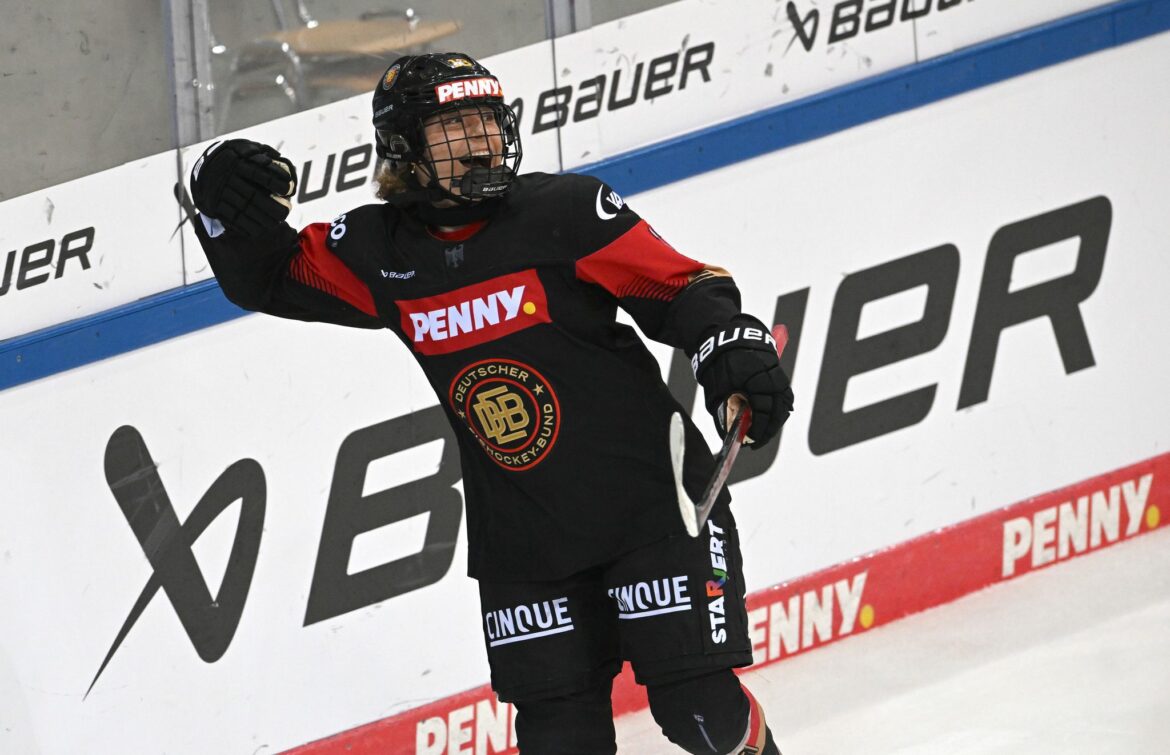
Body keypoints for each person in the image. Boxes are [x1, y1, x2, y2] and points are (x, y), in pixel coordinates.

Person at [189, 52, 793, 755]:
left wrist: (731, 348)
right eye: (454, 127)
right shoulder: (379, 254)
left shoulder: (564, 213)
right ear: (404, 150)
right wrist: (215, 198)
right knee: (558, 738)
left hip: (652, 507)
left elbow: (685, 289)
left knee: (699, 710)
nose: (480, 141)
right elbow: (269, 278)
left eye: (486, 121)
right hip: (524, 538)